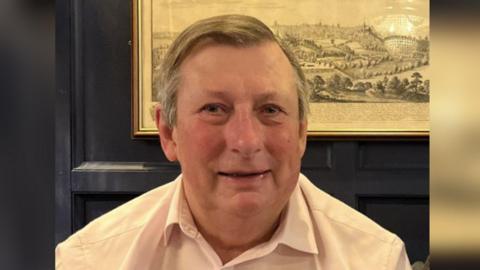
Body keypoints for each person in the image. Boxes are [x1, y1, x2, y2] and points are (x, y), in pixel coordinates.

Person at [56, 14, 412, 269]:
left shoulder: (374, 259)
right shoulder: (91, 259)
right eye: (214, 109)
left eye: (270, 109)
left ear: (301, 132)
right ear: (169, 132)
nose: (246, 141)